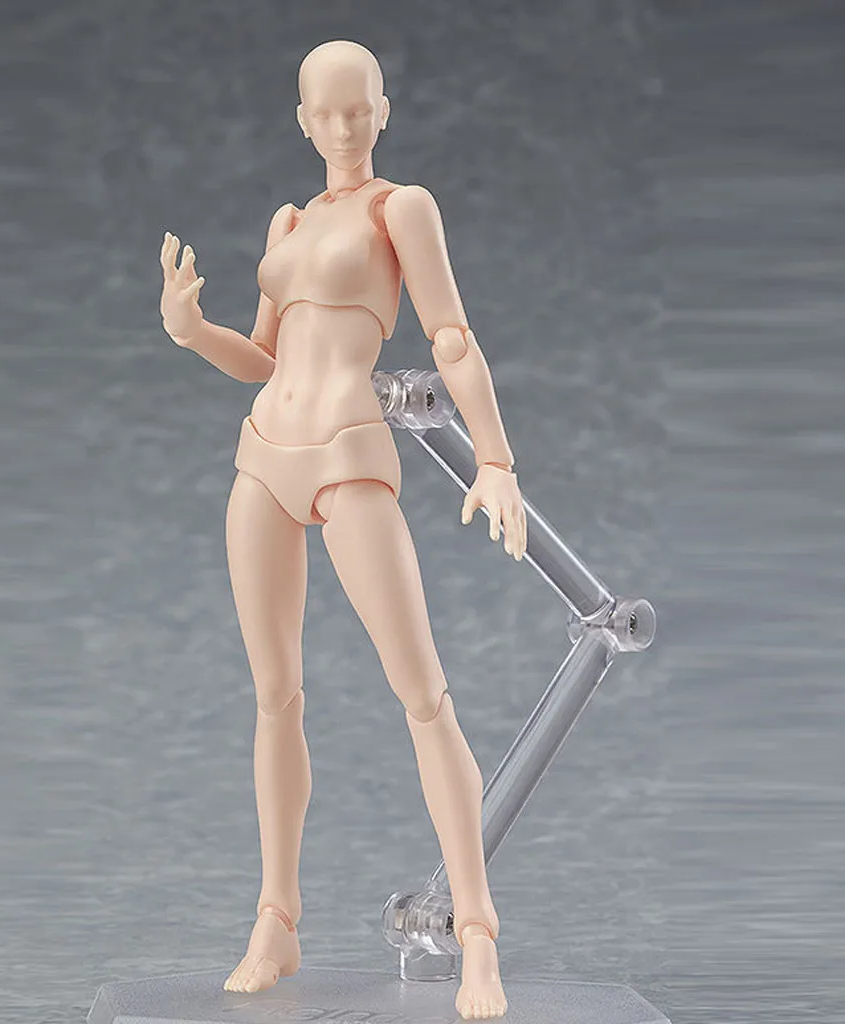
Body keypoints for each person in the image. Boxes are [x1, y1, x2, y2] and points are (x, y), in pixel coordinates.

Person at [159, 39, 526, 1020]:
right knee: (274, 698)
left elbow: (451, 336)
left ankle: (477, 934)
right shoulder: (288, 221)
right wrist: (193, 332)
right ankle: (275, 920)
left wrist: (494, 459)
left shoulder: (399, 209)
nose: (344, 126)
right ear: (302, 121)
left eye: (359, 107)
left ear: (383, 109)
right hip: (262, 458)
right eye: (325, 112)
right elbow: (263, 355)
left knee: (423, 695)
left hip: (349, 454)